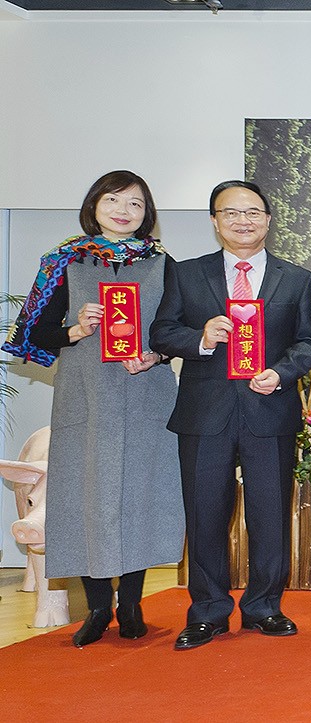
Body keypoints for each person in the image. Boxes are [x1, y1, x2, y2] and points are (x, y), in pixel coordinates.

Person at [3, 170, 182, 647]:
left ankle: (132, 605)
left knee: (141, 495)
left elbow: (177, 329)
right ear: (94, 205)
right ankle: (99, 607)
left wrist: (158, 354)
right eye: (114, 199)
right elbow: (30, 335)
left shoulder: (165, 264)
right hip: (87, 397)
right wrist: (76, 330)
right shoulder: (63, 260)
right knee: (86, 497)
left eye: (136, 204)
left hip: (145, 393)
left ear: (148, 215)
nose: (124, 210)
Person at [149, 180, 311, 649]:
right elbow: (162, 333)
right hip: (205, 414)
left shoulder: (297, 278)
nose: (242, 221)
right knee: (205, 514)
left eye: (252, 212)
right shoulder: (185, 274)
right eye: (230, 213)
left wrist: (282, 373)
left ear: (268, 219)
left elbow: (308, 342)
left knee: (270, 514)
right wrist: (202, 337)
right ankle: (207, 611)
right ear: (214, 221)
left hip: (270, 410)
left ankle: (265, 607)